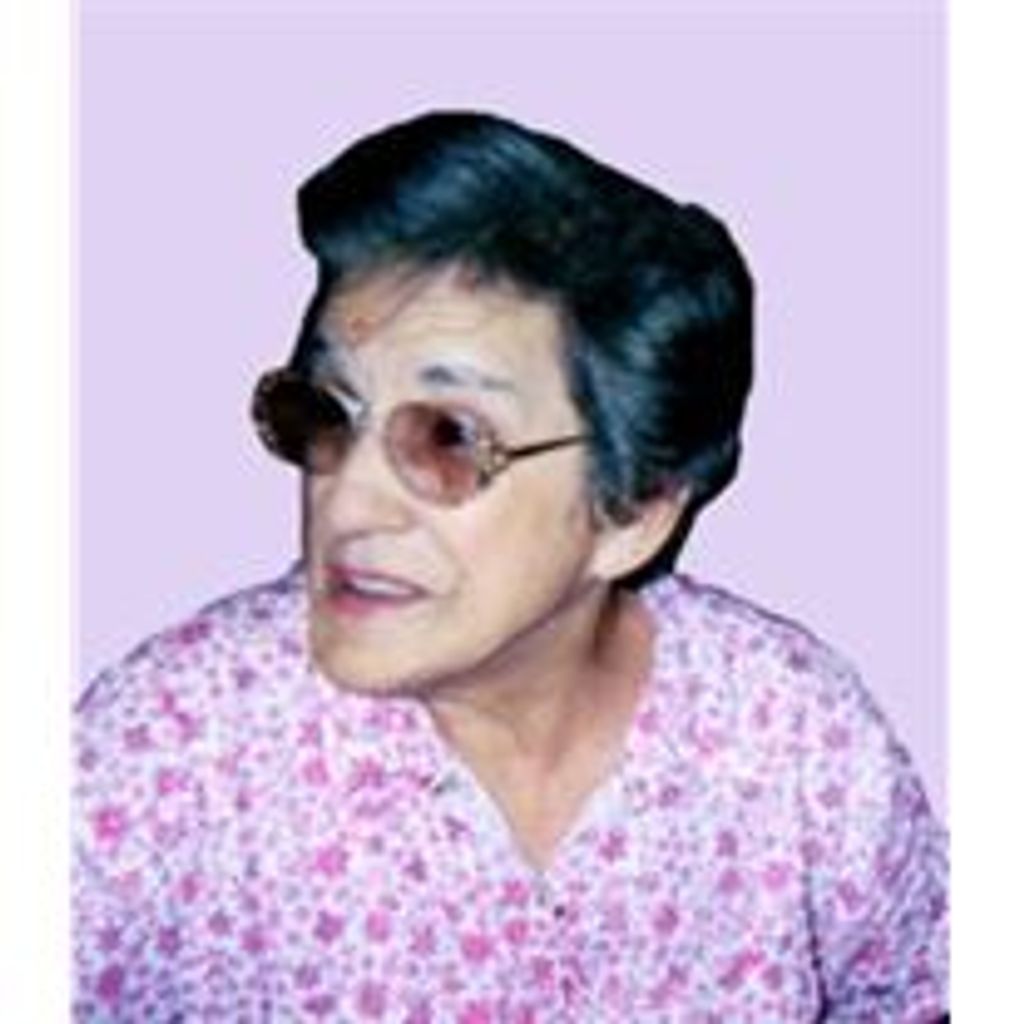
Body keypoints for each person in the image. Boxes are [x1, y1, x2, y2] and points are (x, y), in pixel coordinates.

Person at [73, 111, 948, 1022]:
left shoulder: (792, 739)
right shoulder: (170, 753)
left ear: (634, 514)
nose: (347, 501)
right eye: (324, 412)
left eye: (450, 437)